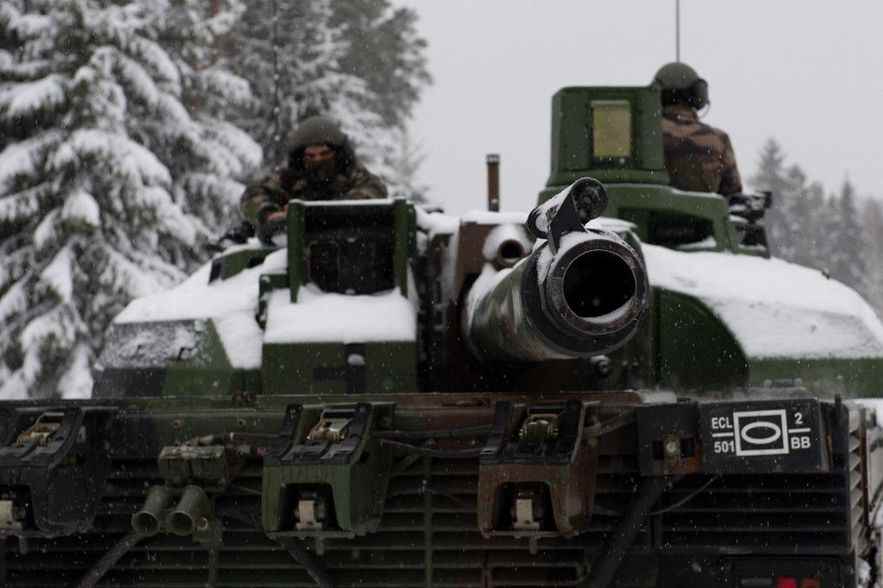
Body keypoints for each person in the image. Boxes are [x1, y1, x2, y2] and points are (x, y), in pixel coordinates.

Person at [240, 115, 388, 232]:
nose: (318, 160)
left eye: (325, 154)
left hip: (348, 244)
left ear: (338, 154)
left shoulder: (351, 173)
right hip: (292, 250)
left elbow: (374, 190)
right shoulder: (289, 178)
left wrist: (326, 213)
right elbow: (253, 195)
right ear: (301, 158)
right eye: (311, 156)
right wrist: (270, 214)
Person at [652, 62, 743, 197]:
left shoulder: (641, 136)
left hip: (641, 216)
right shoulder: (718, 139)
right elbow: (732, 195)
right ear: (697, 94)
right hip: (703, 217)